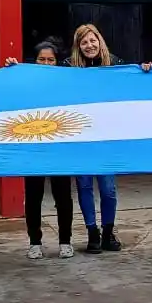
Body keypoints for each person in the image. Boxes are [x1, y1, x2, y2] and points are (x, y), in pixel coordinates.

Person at [62, 23, 135, 254]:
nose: (89, 45)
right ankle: (92, 232)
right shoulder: (67, 67)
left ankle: (108, 232)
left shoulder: (116, 64)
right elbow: (43, 78)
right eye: (84, 42)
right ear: (78, 46)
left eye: (93, 40)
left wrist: (147, 69)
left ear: (100, 41)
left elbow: (134, 85)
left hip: (107, 138)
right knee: (84, 186)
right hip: (80, 137)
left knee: (108, 189)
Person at [6, 40, 75, 260]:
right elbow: (7, 91)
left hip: (59, 147)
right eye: (41, 59)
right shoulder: (25, 83)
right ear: (33, 61)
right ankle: (35, 242)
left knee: (63, 197)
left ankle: (66, 241)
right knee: (34, 197)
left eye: (50, 60)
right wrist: (12, 71)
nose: (46, 63)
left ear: (57, 62)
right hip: (33, 148)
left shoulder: (66, 83)